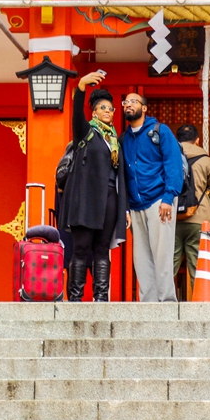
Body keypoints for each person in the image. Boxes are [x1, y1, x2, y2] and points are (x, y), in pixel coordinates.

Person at [57, 71, 128, 302]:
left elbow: (120, 177)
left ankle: (100, 299)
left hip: (108, 199)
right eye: (103, 108)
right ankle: (75, 299)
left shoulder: (115, 140)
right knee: (81, 249)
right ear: (94, 112)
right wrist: (81, 87)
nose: (107, 112)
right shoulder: (86, 132)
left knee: (101, 251)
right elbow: (76, 113)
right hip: (85, 199)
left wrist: (124, 209)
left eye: (110, 109)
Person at [121, 92, 184, 303]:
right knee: (141, 258)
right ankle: (148, 303)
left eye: (133, 102)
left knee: (162, 253)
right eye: (125, 102)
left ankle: (166, 301)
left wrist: (168, 197)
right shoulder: (124, 138)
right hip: (136, 204)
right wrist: (126, 208)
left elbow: (173, 165)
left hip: (159, 200)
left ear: (144, 108)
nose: (128, 105)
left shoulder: (160, 131)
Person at [173, 124, 210, 290]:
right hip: (199, 220)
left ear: (176, 140)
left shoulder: (168, 158)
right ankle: (200, 306)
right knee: (198, 266)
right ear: (197, 140)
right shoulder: (206, 160)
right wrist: (204, 204)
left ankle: (162, 305)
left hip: (172, 218)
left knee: (169, 264)